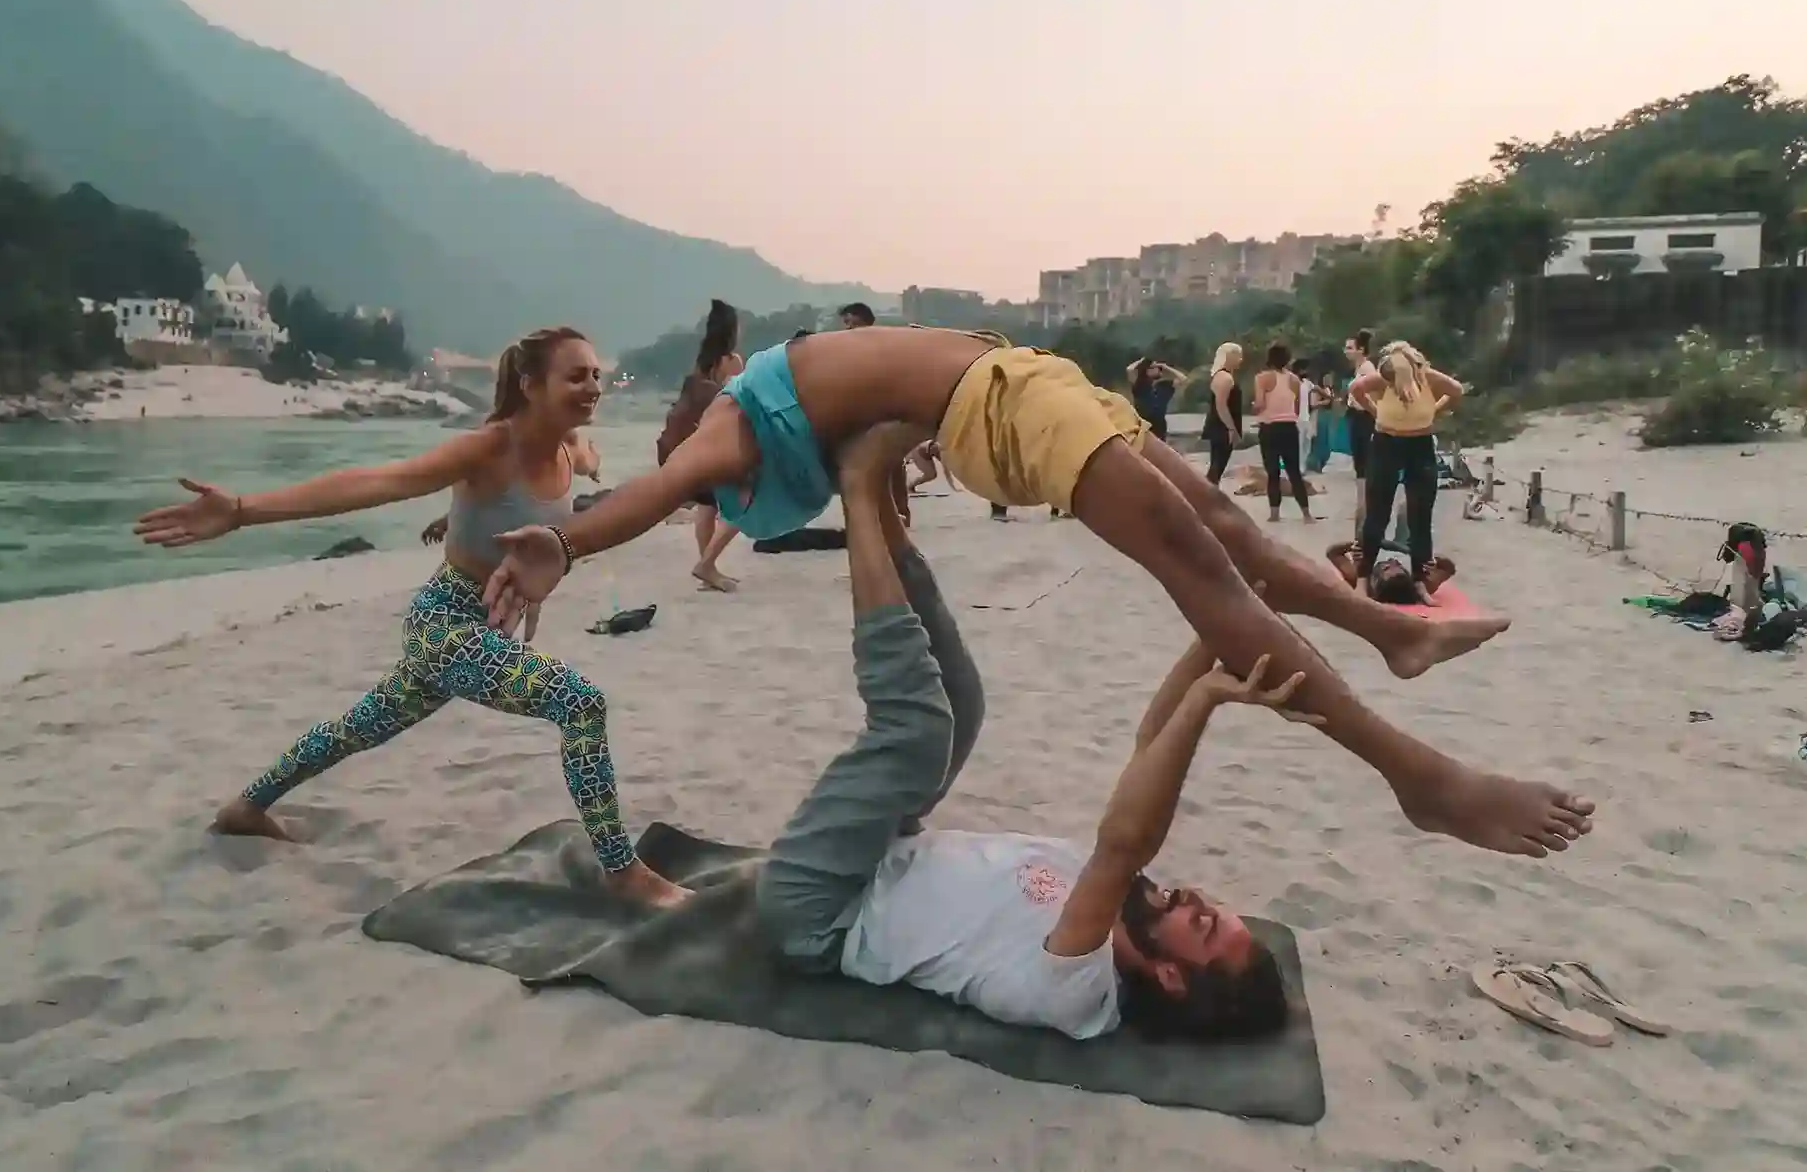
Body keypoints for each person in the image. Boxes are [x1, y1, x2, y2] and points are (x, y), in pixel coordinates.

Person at [488, 325, 1594, 860]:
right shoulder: (737, 434)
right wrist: (569, 543)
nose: (729, 491)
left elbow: (658, 481)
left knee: (1222, 530)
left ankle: (1384, 628)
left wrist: (566, 542)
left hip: (1021, 389)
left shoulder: (732, 426)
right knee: (1205, 573)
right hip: (1005, 399)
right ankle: (1420, 776)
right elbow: (659, 489)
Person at [759, 424, 1331, 1039]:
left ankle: (855, 487)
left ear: (1170, 977)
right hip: (885, 850)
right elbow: (1150, 743)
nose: (1195, 897)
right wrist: (1223, 631)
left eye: (1203, 925)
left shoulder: (1079, 990)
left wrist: (1209, 695)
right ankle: (876, 492)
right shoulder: (1120, 912)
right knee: (964, 707)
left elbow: (1124, 843)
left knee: (917, 731)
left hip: (822, 906)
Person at [132, 328, 684, 907]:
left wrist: (576, 480)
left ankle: (246, 808)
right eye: (576, 376)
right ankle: (622, 872)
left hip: (480, 631)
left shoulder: (572, 449)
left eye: (596, 374)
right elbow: (382, 481)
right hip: (445, 624)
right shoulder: (490, 447)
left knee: (357, 729)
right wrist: (244, 511)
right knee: (580, 703)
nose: (593, 386)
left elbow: (575, 470)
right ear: (530, 385)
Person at [420, 429, 599, 641]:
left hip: (505, 599)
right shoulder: (494, 449)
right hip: (453, 603)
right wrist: (451, 519)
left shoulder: (567, 451)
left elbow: (587, 462)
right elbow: (485, 495)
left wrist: (593, 464)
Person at [1350, 341, 1464, 595]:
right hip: (1386, 443)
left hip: (1420, 445)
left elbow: (1456, 390)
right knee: (1377, 513)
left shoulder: (1427, 377)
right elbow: (1356, 388)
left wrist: (1434, 409)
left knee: (1420, 515)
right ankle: (1362, 576)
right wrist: (1375, 410)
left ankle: (1420, 580)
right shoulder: (1384, 378)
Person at [660, 300, 747, 592]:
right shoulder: (730, 360)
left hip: (687, 443)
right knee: (745, 503)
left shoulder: (702, 363)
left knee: (707, 506)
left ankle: (707, 567)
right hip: (712, 443)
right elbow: (739, 394)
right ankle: (707, 564)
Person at [1253, 342, 1312, 522]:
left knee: (1273, 473)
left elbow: (1260, 405)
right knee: (1294, 472)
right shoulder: (1294, 380)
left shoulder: (1262, 378)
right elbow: (1295, 407)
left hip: (1269, 428)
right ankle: (1306, 514)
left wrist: (1254, 408)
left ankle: (1274, 514)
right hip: (1289, 427)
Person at [1327, 540, 1456, 606]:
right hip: (1403, 543)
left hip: (1375, 535)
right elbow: (1449, 569)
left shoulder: (1361, 579)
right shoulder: (1421, 586)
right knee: (1405, 510)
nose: (1391, 560)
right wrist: (1432, 560)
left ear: (1376, 580)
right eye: (1398, 565)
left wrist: (1355, 545)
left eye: (1386, 567)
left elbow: (1332, 553)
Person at [1342, 330, 1378, 521]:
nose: (1346, 351)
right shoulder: (1360, 368)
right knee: (1359, 463)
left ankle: (1365, 506)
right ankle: (1362, 504)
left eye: (1350, 348)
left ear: (1361, 350)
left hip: (1364, 417)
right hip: (1357, 415)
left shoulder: (1368, 369)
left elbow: (1374, 394)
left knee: (1363, 462)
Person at [1203, 343, 1246, 488]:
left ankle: (1208, 496)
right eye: (1238, 355)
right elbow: (1221, 406)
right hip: (1222, 427)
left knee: (1217, 466)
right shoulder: (1225, 378)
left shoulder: (1221, 376)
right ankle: (1206, 497)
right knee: (1217, 467)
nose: (1241, 359)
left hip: (1220, 426)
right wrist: (1231, 428)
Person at [1126, 354, 1181, 442]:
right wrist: (1141, 361)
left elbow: (1183, 379)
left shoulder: (1164, 386)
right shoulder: (1139, 385)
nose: (1155, 369)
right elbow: (1129, 369)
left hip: (1159, 425)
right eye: (1152, 367)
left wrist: (1165, 366)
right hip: (1144, 424)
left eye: (1157, 368)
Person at [1306, 369, 1338, 474]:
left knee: (1326, 440)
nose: (1328, 380)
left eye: (1330, 378)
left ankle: (1322, 461)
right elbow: (1313, 404)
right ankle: (1315, 463)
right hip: (1319, 415)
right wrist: (1326, 401)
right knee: (1319, 439)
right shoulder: (1316, 390)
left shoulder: (1329, 389)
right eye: (1326, 378)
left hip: (1326, 415)